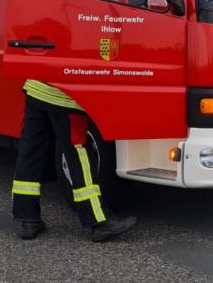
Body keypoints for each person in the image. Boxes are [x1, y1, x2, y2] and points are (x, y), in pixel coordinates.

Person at [11, 79, 137, 242]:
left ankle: (26, 220)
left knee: (30, 153)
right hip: (63, 96)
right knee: (79, 154)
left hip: (35, 90)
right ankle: (97, 221)